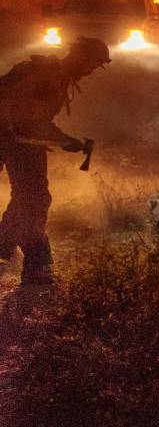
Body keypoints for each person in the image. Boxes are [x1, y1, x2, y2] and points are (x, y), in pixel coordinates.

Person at [0, 37, 110, 284]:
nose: (90, 72)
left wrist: (63, 140)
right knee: (35, 199)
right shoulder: (49, 78)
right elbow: (29, 121)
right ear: (81, 57)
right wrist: (65, 140)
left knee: (26, 195)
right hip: (14, 140)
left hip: (21, 141)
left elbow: (34, 122)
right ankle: (38, 265)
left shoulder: (56, 77)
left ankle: (3, 246)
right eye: (91, 65)